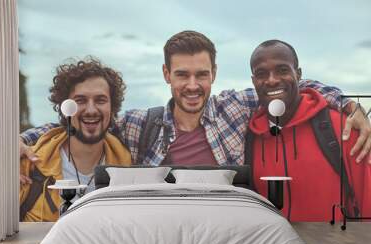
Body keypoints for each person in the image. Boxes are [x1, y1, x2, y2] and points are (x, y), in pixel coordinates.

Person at [20, 31, 371, 170]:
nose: (192, 85)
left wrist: (347, 105)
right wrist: (21, 142)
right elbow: (80, 121)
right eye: (182, 75)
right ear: (166, 74)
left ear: (213, 74)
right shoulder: (140, 124)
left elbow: (292, 83)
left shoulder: (236, 107)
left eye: (201, 75)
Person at [246, 40, 371, 221]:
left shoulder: (343, 129)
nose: (272, 80)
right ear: (253, 81)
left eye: (282, 70)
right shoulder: (250, 138)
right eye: (262, 73)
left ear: (298, 74)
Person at [20, 58, 131, 222]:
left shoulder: (129, 170)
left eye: (100, 100)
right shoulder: (28, 165)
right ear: (65, 109)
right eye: (80, 101)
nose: (91, 110)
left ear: (112, 108)